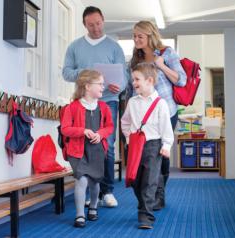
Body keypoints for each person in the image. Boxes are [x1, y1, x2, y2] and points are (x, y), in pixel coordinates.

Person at [62, 6, 127, 207]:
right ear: (85, 25)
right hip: (83, 103)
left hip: (108, 101)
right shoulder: (74, 47)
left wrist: (119, 87)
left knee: (106, 146)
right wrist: (86, 74)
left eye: (98, 23)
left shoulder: (114, 47)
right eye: (91, 25)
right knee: (86, 146)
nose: (96, 28)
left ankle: (107, 191)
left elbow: (123, 77)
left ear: (103, 20)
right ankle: (92, 191)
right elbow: (66, 73)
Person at [130, 21, 186, 210]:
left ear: (150, 35)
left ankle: (158, 193)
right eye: (134, 36)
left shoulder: (166, 53)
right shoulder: (135, 59)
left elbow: (181, 80)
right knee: (149, 156)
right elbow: (134, 87)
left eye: (140, 36)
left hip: (166, 110)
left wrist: (161, 66)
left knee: (162, 155)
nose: (136, 39)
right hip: (145, 116)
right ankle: (153, 194)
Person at [121, 63, 174, 229]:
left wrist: (166, 145)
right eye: (133, 79)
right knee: (135, 180)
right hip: (135, 145)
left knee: (149, 181)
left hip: (153, 145)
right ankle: (144, 203)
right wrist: (129, 139)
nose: (134, 83)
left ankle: (146, 216)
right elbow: (125, 122)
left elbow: (166, 127)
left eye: (137, 79)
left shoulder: (160, 104)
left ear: (150, 81)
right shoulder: (132, 102)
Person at [60, 70, 114, 228]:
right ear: (88, 86)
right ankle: (79, 215)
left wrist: (101, 134)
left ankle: (93, 206)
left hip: (96, 150)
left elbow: (110, 127)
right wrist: (82, 131)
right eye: (100, 84)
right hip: (77, 151)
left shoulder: (103, 107)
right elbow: (65, 129)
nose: (103, 87)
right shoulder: (72, 107)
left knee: (95, 182)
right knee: (81, 180)